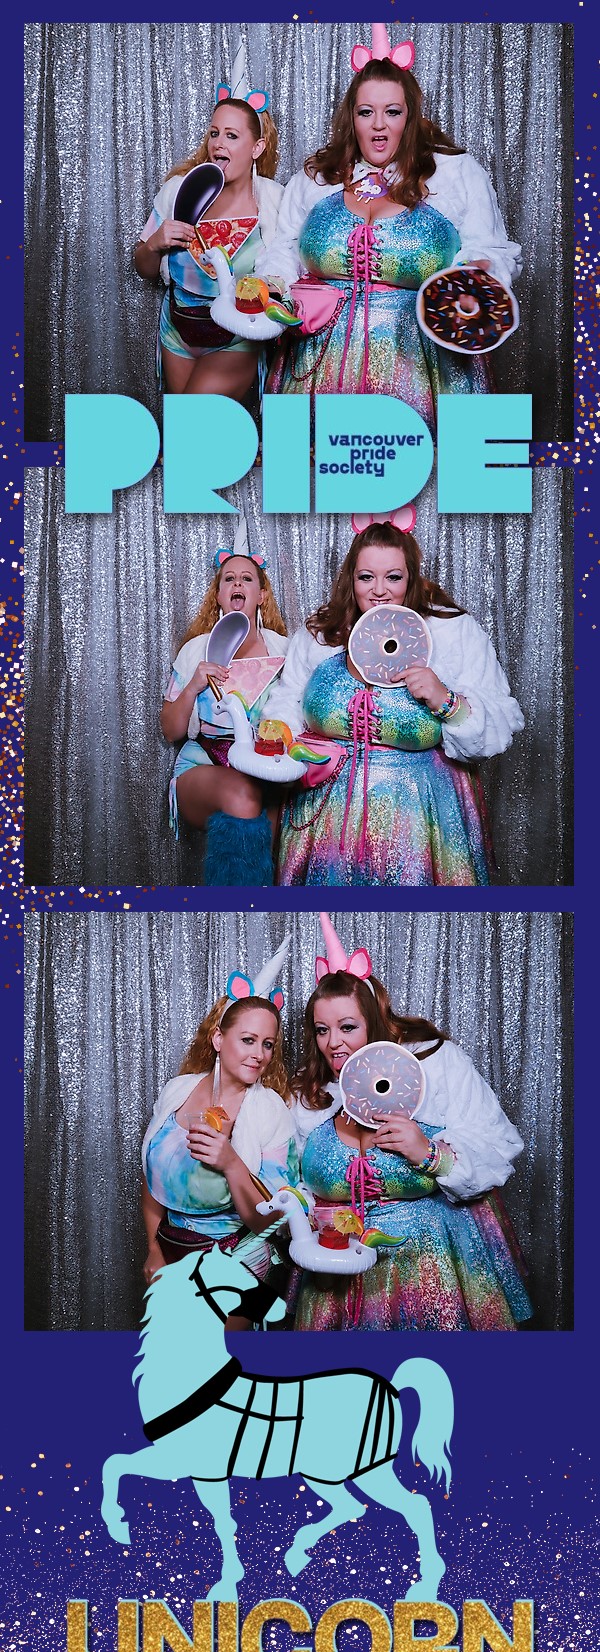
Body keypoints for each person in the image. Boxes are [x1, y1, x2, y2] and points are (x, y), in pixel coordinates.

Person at [258, 24, 521, 429]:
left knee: (428, 465)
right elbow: (285, 248)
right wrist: (271, 287)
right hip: (316, 364)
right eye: (366, 112)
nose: (379, 125)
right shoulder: (316, 179)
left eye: (392, 112)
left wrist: (475, 277)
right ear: (352, 119)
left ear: (410, 117)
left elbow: (489, 250)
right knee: (315, 465)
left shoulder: (453, 173)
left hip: (424, 367)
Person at [290, 915, 533, 1332]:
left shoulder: (434, 1063)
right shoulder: (310, 1093)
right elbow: (291, 1177)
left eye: (347, 1027)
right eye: (322, 1030)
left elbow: (497, 1144)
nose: (333, 1043)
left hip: (432, 1267)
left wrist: (430, 1153)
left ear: (373, 1021)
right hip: (336, 1273)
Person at [262, 515, 523, 886]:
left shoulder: (452, 631)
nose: (379, 590)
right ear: (351, 579)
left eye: (394, 577)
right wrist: (278, 732)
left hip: (423, 817)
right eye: (366, 577)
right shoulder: (322, 633)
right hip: (324, 817)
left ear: (411, 579)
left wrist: (446, 700)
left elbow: (498, 721)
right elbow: (289, 696)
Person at [141, 935, 298, 1327]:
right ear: (218, 1038)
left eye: (267, 1044)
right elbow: (151, 1178)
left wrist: (231, 1163)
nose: (259, 1054)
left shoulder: (270, 1111)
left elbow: (271, 1222)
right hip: (171, 1253)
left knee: (220, 1358)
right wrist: (154, 1249)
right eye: (248, 1040)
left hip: (236, 1262)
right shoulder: (177, 1091)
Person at [135, 44, 284, 402]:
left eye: (232, 135)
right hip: (178, 332)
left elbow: (289, 272)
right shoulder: (179, 191)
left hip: (237, 337)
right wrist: (154, 243)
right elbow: (143, 267)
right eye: (215, 133)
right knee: (184, 428)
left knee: (193, 419)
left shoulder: (275, 202)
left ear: (257, 147)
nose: (219, 143)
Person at [161, 520, 288, 885]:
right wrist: (193, 686)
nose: (237, 584)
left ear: (261, 595)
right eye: (229, 579)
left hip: (265, 769)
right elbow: (170, 731)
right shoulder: (196, 650)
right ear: (218, 595)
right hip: (203, 763)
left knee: (282, 809)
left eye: (247, 579)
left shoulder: (284, 650)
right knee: (244, 796)